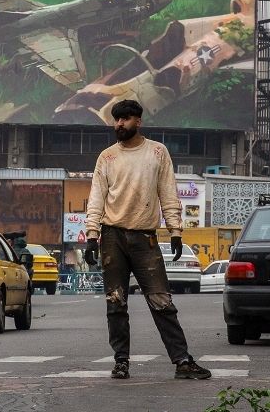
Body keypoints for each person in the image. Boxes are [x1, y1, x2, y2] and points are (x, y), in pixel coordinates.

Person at [82, 99, 211, 381]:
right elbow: (96, 198)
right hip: (112, 237)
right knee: (115, 303)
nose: (119, 124)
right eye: (116, 120)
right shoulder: (107, 157)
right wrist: (92, 236)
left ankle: (182, 361)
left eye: (125, 119)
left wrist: (176, 232)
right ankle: (121, 362)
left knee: (161, 301)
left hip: (145, 239)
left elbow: (168, 193)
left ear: (138, 121)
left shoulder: (157, 152)